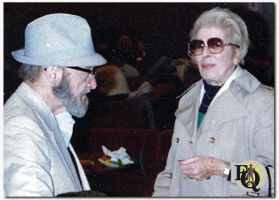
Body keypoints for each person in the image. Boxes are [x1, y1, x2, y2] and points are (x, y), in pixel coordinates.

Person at [153, 7, 274, 197]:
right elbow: (170, 174)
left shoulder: (264, 102)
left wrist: (222, 168)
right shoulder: (187, 100)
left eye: (215, 44)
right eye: (198, 46)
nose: (205, 53)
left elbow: (273, 179)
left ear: (237, 53)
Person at [4, 13, 106, 196]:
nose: (93, 84)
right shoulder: (21, 127)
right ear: (53, 73)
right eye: (89, 72)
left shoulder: (46, 118)